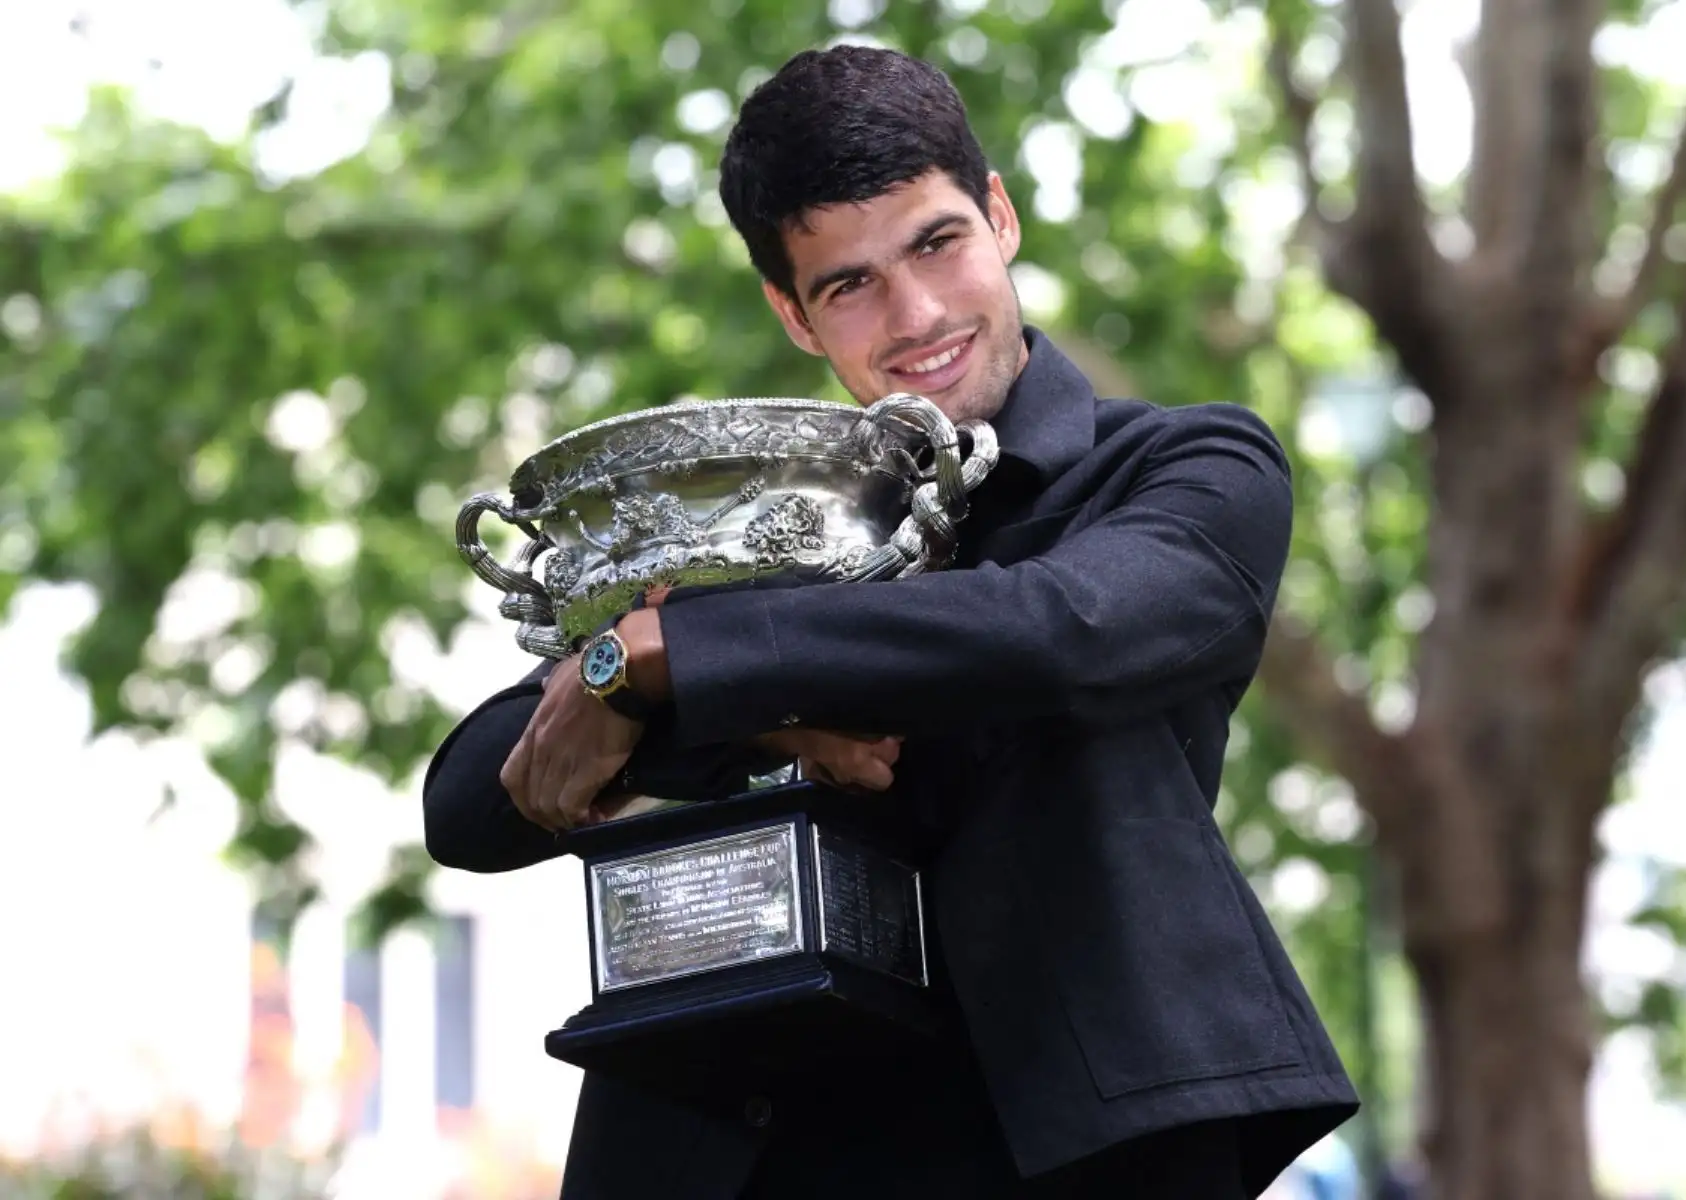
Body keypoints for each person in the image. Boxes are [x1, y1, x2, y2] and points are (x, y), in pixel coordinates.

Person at [422, 44, 1357, 1199]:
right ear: (794, 315)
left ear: (1000, 216)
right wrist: (678, 688)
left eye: (936, 242)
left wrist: (700, 663)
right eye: (848, 283)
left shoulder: (1185, 465)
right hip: (741, 1155)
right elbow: (469, 800)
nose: (915, 315)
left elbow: (1066, 630)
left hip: (1060, 1148)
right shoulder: (769, 531)